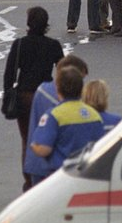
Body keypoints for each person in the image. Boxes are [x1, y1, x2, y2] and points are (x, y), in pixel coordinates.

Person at [3, 6, 65, 191]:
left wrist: (8, 94)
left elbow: (9, 74)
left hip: (25, 96)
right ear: (46, 24)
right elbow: (63, 70)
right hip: (46, 96)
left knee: (27, 139)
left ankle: (29, 180)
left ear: (29, 23)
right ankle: (47, 176)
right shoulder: (53, 45)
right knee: (48, 137)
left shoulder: (20, 44)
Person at [29, 65, 104, 180]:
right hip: (87, 174)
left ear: (58, 88)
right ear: (81, 89)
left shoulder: (54, 115)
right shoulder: (93, 114)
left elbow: (44, 149)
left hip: (62, 175)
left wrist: (34, 145)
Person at [23, 54, 89, 186]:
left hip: (35, 162)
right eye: (80, 79)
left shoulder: (42, 90)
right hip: (53, 167)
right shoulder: (59, 100)